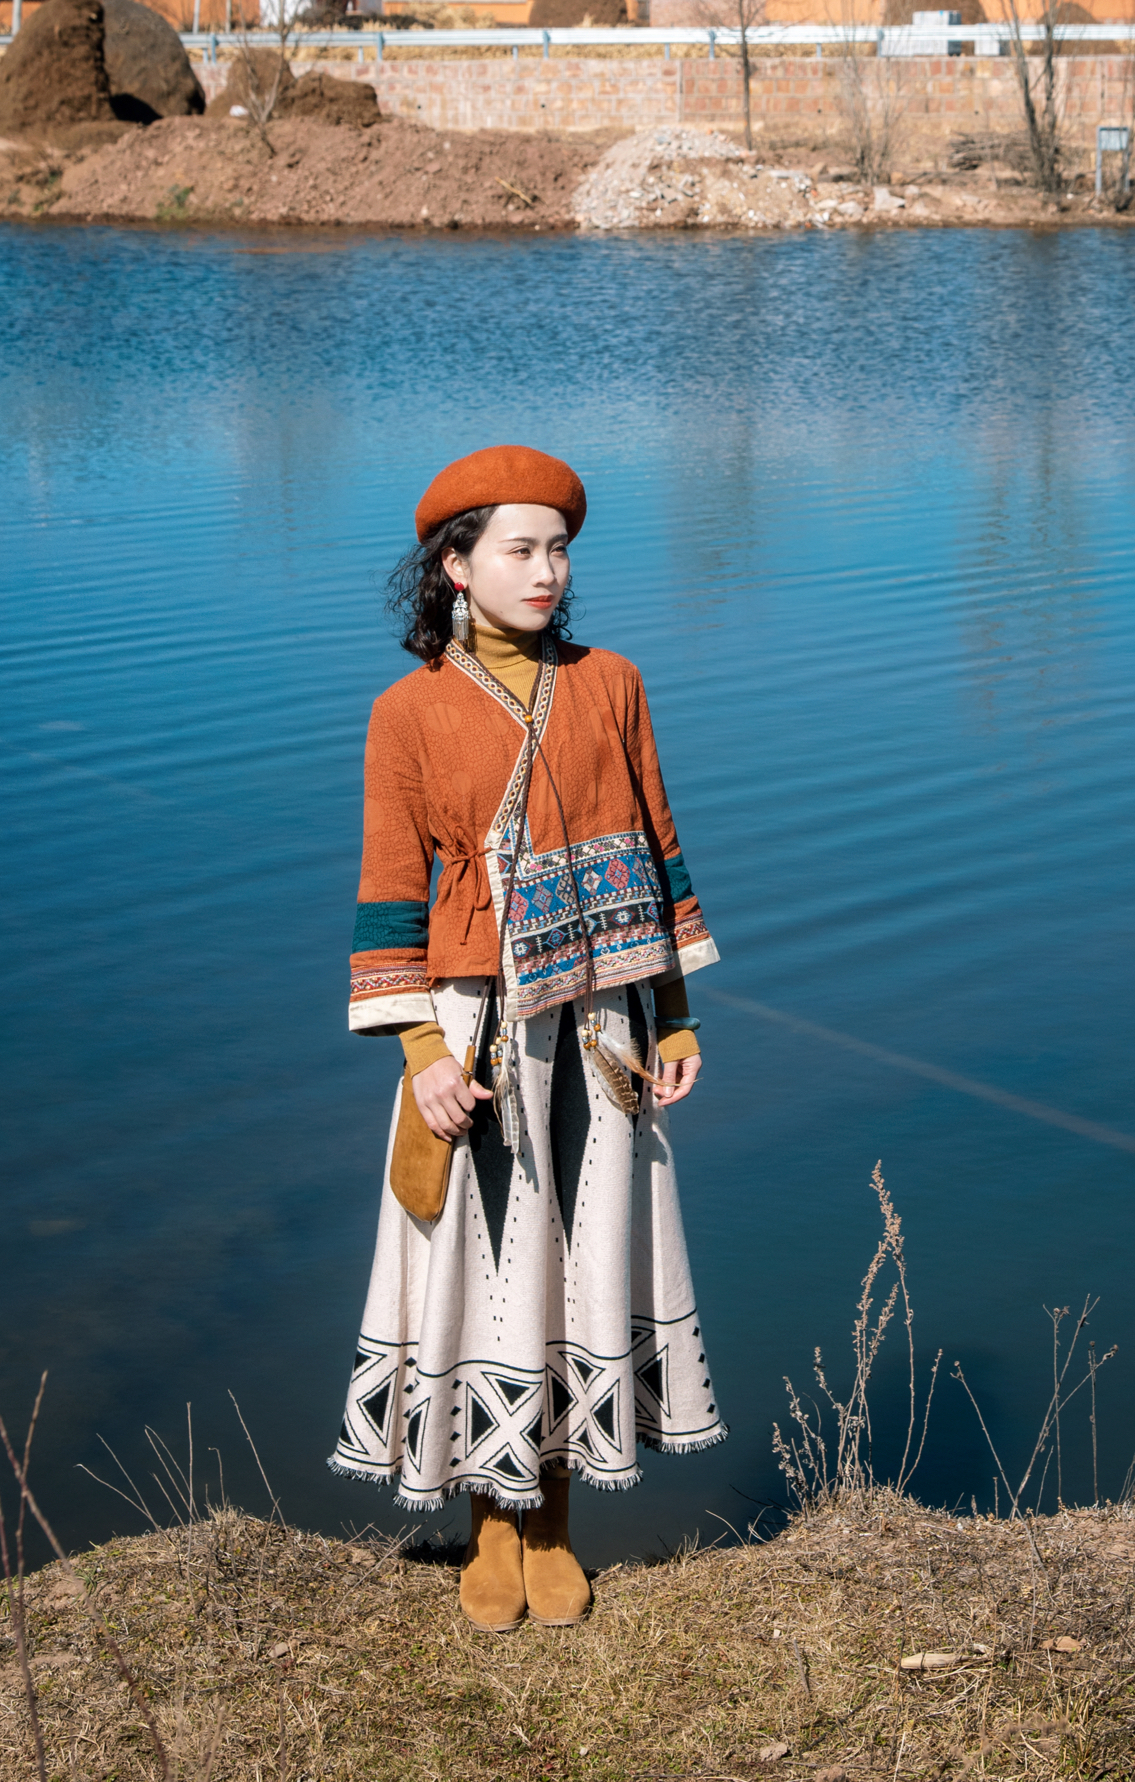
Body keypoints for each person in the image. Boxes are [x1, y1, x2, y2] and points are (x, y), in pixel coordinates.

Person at [329, 444, 724, 1629]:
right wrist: (421, 1057)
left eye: (558, 550)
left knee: (579, 1258)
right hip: (471, 1032)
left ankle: (552, 1519)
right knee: (484, 1268)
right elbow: (388, 894)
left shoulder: (613, 684)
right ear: (456, 566)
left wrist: (675, 1016)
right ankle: (487, 1528)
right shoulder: (406, 712)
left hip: (600, 1022)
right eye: (519, 550)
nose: (547, 571)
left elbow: (657, 847)